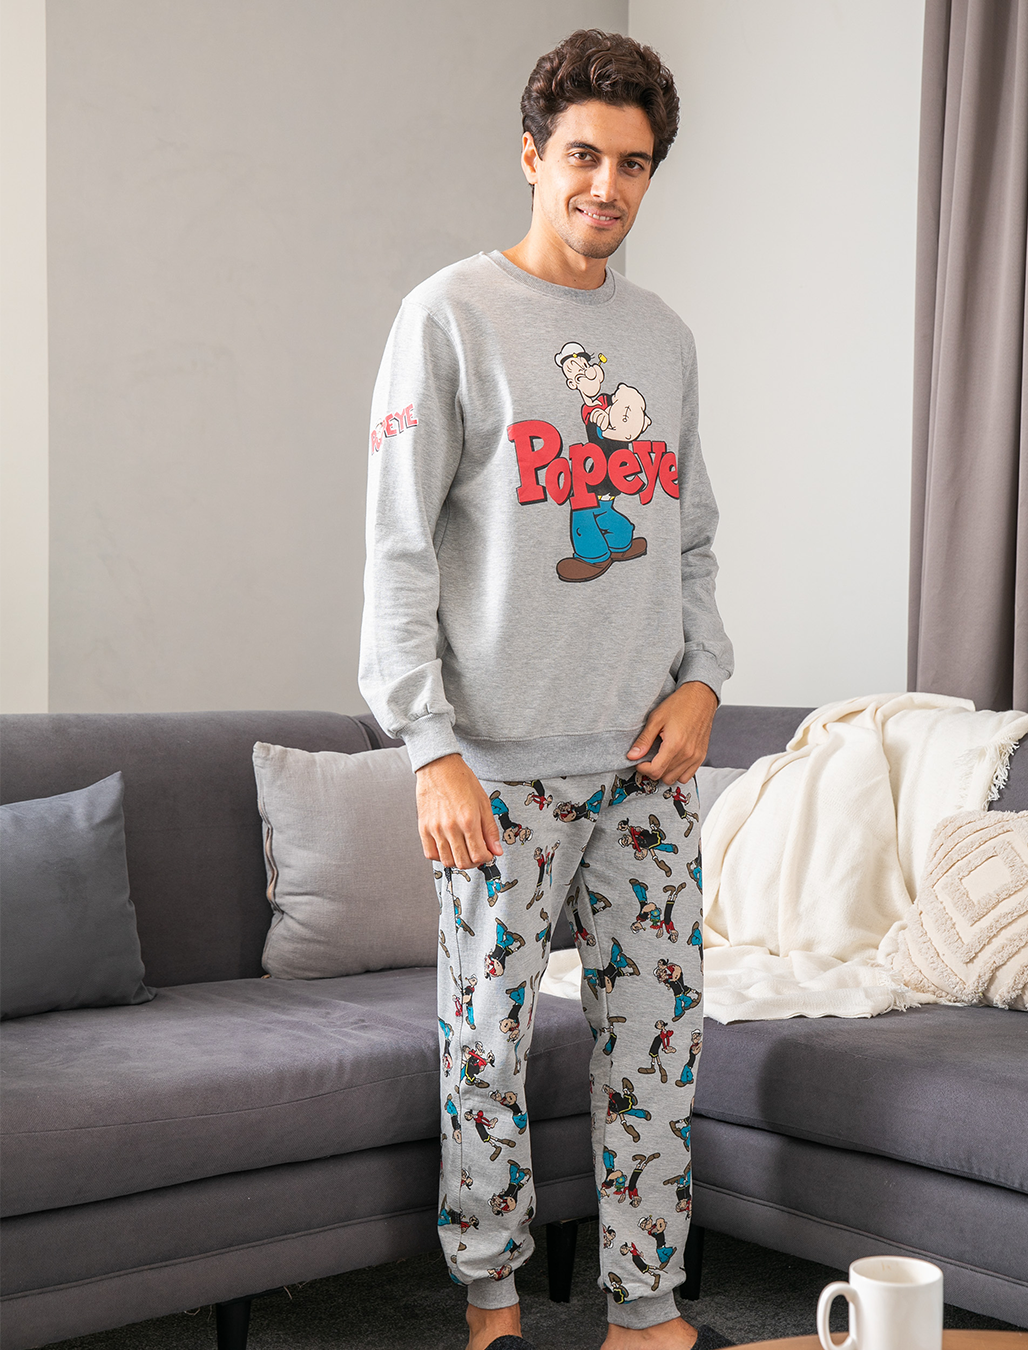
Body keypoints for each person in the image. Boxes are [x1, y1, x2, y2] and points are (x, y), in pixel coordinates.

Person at [359, 28, 733, 1350]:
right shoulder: (448, 318)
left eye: (633, 164)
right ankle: (494, 1310)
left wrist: (705, 682)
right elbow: (399, 552)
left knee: (658, 1049)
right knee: (487, 1048)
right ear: (532, 156)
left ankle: (647, 1315)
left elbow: (689, 539)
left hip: (648, 771)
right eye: (583, 156)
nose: (605, 187)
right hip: (497, 775)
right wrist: (428, 746)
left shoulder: (665, 340)